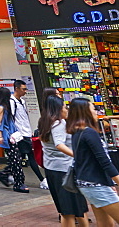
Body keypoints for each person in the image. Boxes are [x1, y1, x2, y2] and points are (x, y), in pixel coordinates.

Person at [67, 97, 119, 227]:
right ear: (85, 112)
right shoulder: (88, 132)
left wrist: (109, 183)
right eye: (93, 109)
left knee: (106, 224)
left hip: (87, 183)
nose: (96, 112)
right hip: (96, 185)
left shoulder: (77, 132)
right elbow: (105, 162)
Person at [38, 94, 88, 227]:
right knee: (75, 208)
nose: (67, 110)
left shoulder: (44, 122)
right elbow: (59, 144)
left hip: (51, 168)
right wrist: (77, 155)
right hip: (64, 170)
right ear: (58, 109)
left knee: (67, 209)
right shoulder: (59, 123)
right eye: (65, 107)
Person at [10, 80, 44, 185]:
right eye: (23, 89)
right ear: (16, 89)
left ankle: (10, 175)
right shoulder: (11, 102)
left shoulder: (22, 102)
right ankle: (41, 179)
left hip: (26, 133)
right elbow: (11, 119)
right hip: (19, 135)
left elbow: (25, 118)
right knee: (29, 156)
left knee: (21, 157)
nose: (25, 91)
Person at [0, 86, 28, 193]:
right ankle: (18, 183)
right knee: (15, 160)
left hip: (12, 135)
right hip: (8, 136)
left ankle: (7, 176)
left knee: (15, 159)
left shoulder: (6, 106)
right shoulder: (2, 107)